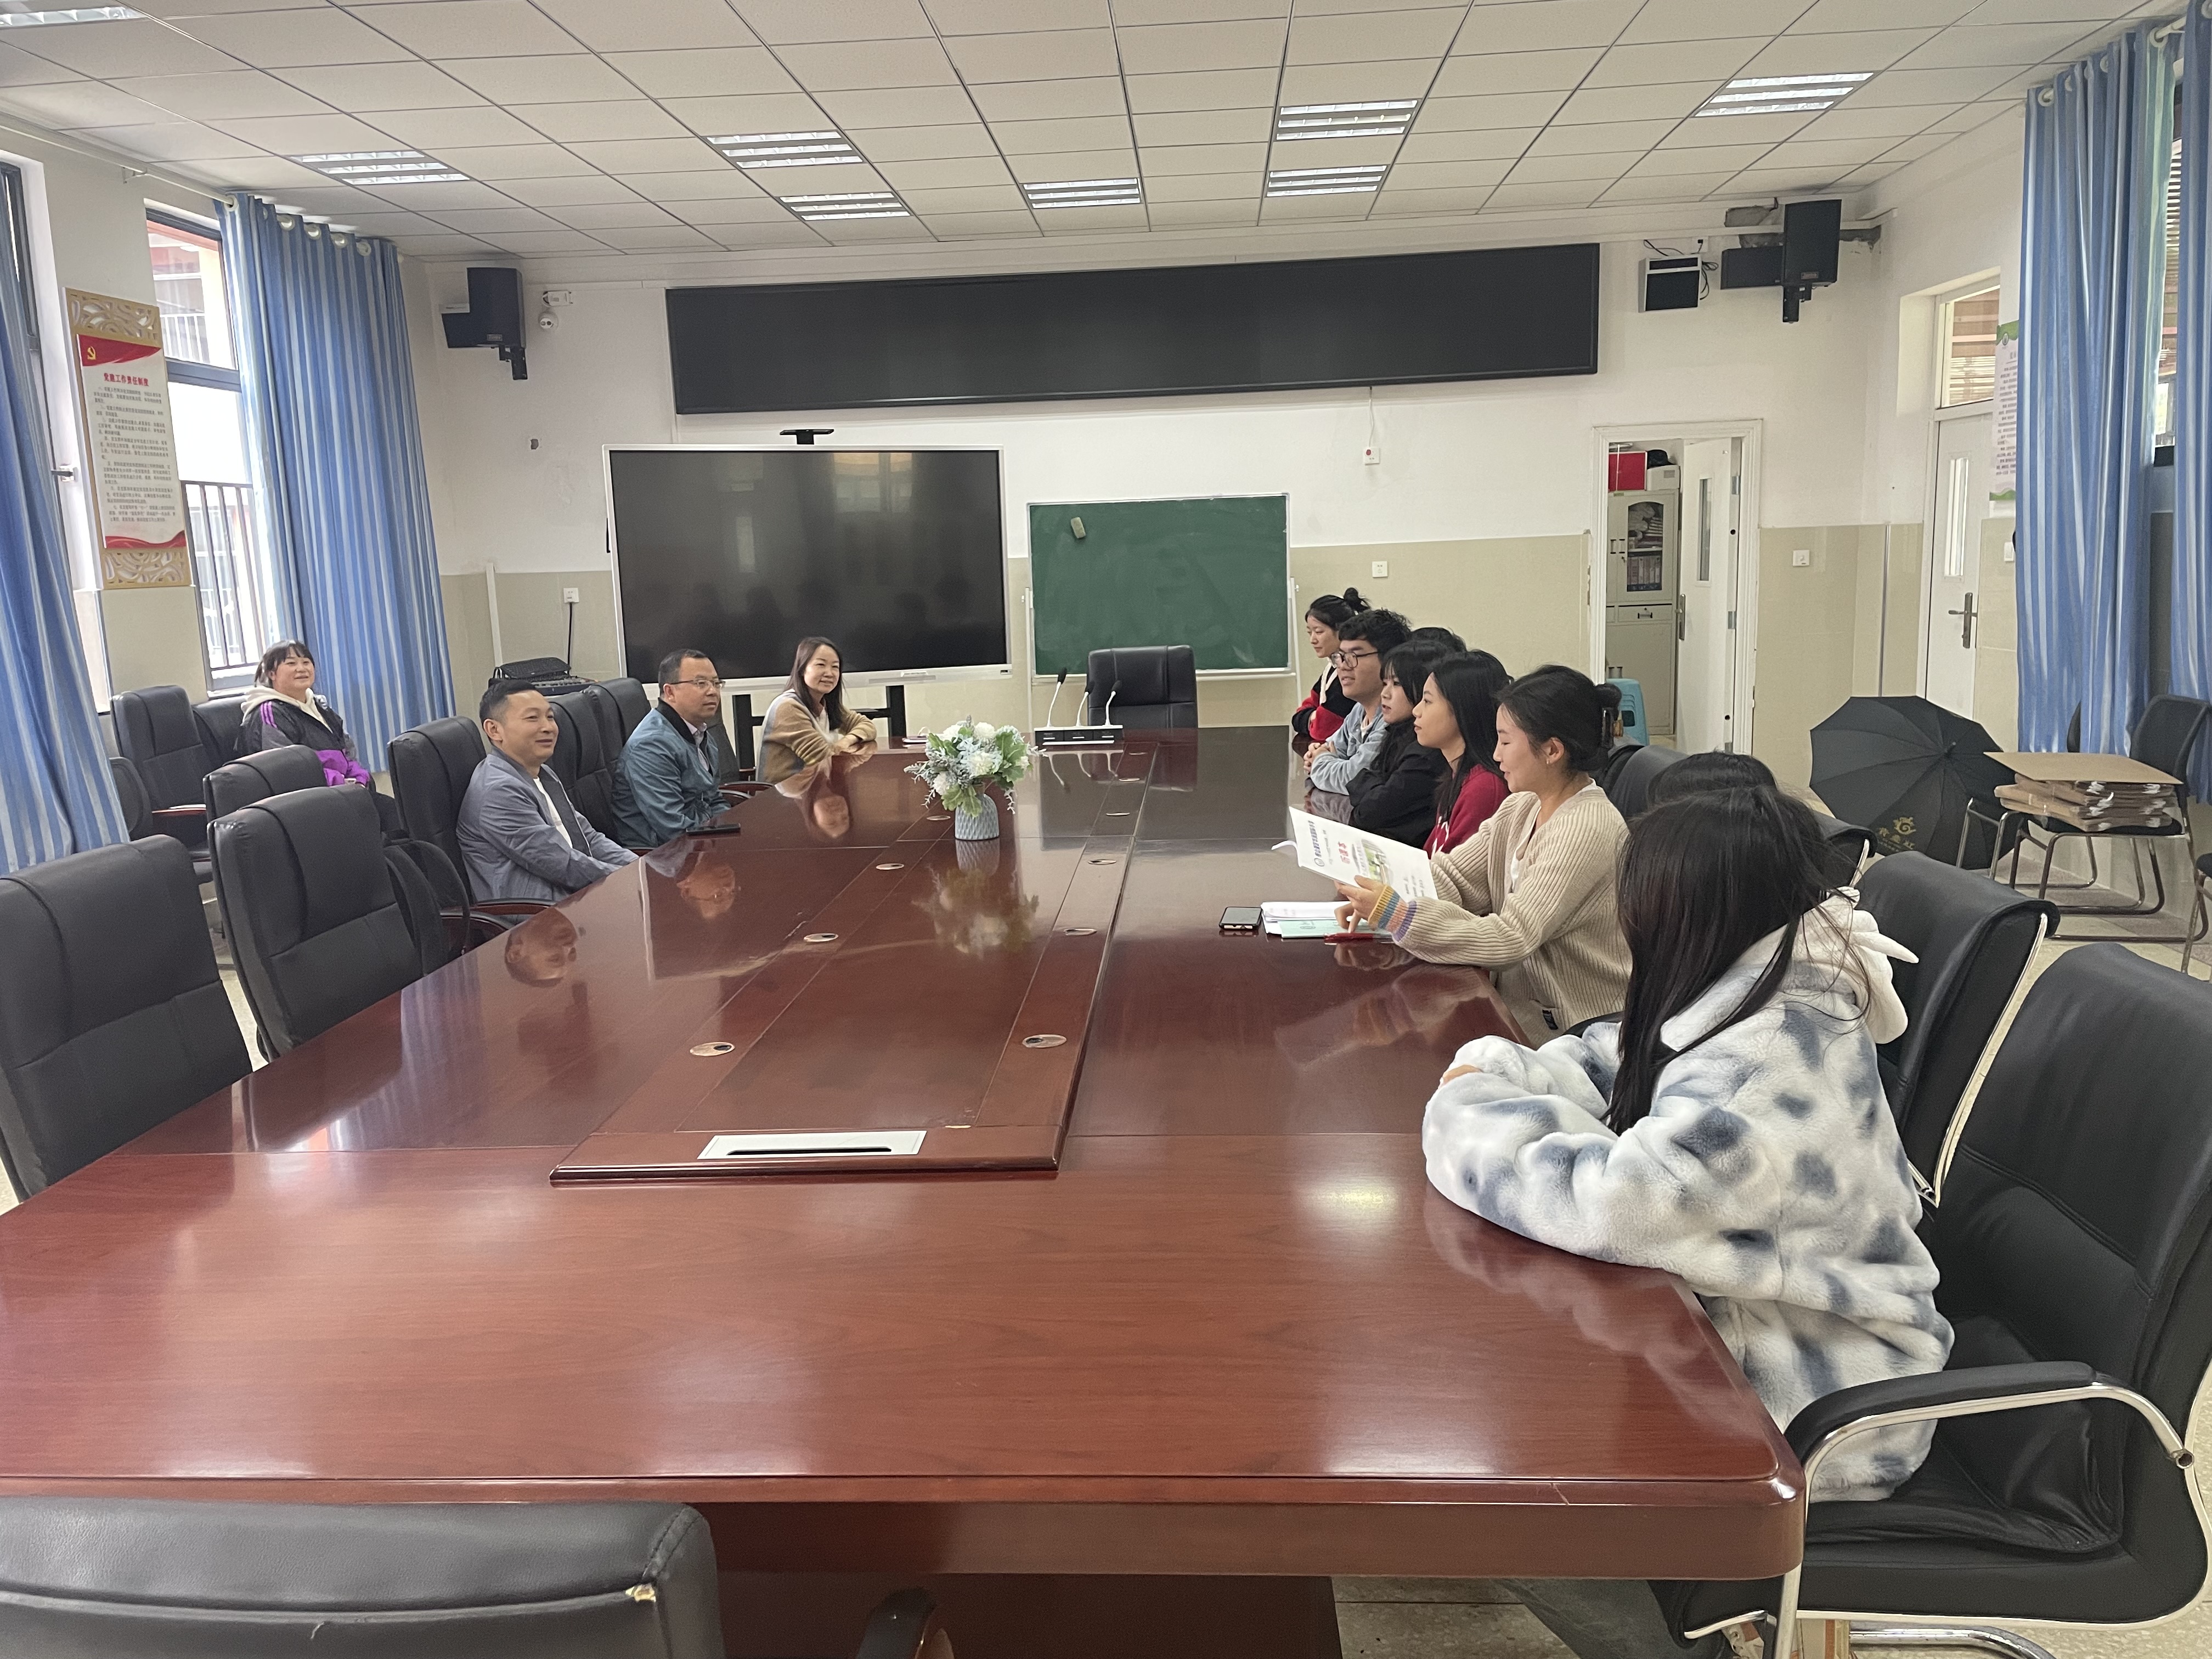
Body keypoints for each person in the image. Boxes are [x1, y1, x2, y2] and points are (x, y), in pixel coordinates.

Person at [1420, 787, 1944, 1659]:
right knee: (1509, 1387)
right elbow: (1614, 1057)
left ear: (1694, 916)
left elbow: (1618, 1202)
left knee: (1505, 1483)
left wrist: (1468, 1105)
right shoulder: (1758, 975)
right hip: (1759, 1325)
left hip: (1823, 1390)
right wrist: (1501, 1071)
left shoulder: (1773, 1050)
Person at [1334, 664, 1630, 1037]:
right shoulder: (1523, 805)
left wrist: (1399, 914)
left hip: (1575, 1030)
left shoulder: (1584, 827)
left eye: (1505, 742)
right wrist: (1388, 891)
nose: (1495, 754)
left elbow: (1512, 937)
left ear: (1552, 750)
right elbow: (1454, 878)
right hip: (1517, 1008)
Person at [460, 681, 636, 903]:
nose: (548, 727)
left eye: (550, 717)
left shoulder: (543, 773)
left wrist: (639, 866)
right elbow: (563, 864)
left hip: (573, 895)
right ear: (494, 730)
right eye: (532, 718)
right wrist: (631, 878)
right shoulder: (499, 791)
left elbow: (588, 837)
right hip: (538, 913)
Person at [239, 640, 403, 830]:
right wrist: (341, 783)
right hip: (309, 805)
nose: (301, 669)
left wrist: (359, 779)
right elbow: (286, 772)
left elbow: (347, 753)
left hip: (343, 794)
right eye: (291, 663)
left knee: (401, 816)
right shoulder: (269, 712)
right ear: (271, 673)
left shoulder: (319, 707)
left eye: (306, 662)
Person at [616, 647, 736, 847]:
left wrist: (734, 829)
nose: (712, 691)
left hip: (701, 838)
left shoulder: (699, 732)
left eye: (716, 683)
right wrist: (721, 841)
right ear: (670, 692)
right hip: (663, 854)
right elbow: (673, 828)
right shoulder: (651, 746)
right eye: (701, 683)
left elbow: (713, 799)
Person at [1348, 641, 1451, 846]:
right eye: (1385, 683)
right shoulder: (1397, 733)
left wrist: (1371, 785)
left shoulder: (1425, 752)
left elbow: (1367, 813)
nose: (1385, 694)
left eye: (1396, 684)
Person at [1304, 607, 1410, 795]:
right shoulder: (1359, 710)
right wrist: (1322, 756)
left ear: (1389, 661)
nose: (1343, 666)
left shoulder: (1394, 719)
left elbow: (1353, 779)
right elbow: (1329, 748)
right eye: (1340, 657)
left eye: (1354, 656)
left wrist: (1320, 760)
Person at [1415, 651, 1513, 855]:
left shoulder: (1484, 787)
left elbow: (1454, 870)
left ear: (1463, 709)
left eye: (1428, 701)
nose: (1416, 711)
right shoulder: (1457, 776)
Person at [759, 636, 878, 785]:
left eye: (835, 667)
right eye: (821, 665)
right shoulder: (788, 707)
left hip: (815, 788)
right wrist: (844, 750)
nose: (829, 673)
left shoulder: (824, 704)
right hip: (779, 796)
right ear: (802, 669)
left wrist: (846, 741)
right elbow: (824, 758)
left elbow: (867, 725)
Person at [1290, 589, 1369, 754]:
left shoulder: (1350, 672)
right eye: (1310, 632)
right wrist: (1312, 716)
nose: (1313, 640)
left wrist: (1311, 717)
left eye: (1319, 632)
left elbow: (1322, 729)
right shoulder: (1331, 667)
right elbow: (1308, 704)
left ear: (1341, 631)